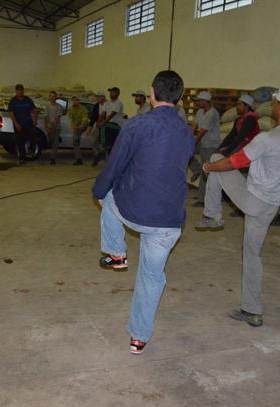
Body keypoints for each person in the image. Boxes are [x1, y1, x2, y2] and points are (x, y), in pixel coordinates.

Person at [92, 70, 194, 354]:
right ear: (180, 97)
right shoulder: (186, 131)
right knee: (151, 276)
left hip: (136, 210)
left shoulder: (137, 125)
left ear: (152, 93)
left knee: (108, 196)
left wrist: (98, 191)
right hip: (170, 221)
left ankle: (116, 253)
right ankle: (139, 338)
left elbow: (115, 165)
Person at [202, 86, 280, 327]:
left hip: (254, 199)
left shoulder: (268, 138)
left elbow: (234, 162)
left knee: (218, 161)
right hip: (271, 204)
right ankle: (252, 310)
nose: (274, 105)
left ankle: (212, 215)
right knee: (252, 254)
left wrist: (207, 168)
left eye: (276, 101)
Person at [195, 93, 261, 230]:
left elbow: (240, 139)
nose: (236, 107)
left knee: (219, 168)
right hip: (242, 152)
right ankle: (212, 214)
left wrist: (226, 155)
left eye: (239, 104)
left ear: (247, 106)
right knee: (215, 165)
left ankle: (214, 214)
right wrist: (218, 150)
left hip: (250, 154)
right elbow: (231, 137)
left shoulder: (250, 120)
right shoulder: (239, 120)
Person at [190, 91, 220, 205]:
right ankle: (196, 169)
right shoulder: (200, 112)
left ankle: (202, 199)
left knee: (206, 170)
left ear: (206, 102)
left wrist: (192, 143)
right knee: (187, 152)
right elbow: (194, 126)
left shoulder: (212, 114)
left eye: (200, 101)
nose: (198, 103)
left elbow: (202, 132)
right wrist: (189, 140)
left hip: (211, 146)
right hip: (202, 143)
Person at [93, 87, 125, 166]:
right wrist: (98, 122)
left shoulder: (118, 103)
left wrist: (103, 123)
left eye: (113, 92)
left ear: (117, 93)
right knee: (111, 146)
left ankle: (104, 146)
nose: (111, 94)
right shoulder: (107, 103)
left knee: (104, 126)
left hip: (116, 126)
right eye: (110, 92)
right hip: (108, 127)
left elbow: (111, 115)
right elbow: (103, 114)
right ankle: (106, 149)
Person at [8, 83, 39, 164]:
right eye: (18, 90)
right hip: (18, 123)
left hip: (28, 122)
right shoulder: (13, 101)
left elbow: (34, 110)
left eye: (21, 90)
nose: (20, 92)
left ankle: (31, 150)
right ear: (16, 91)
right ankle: (22, 158)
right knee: (20, 141)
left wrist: (35, 120)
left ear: (23, 91)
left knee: (34, 135)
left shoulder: (28, 100)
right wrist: (16, 124)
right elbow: (11, 113)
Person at [67, 96, 89, 165]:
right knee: (75, 142)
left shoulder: (83, 108)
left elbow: (85, 118)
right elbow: (70, 118)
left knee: (75, 142)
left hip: (84, 126)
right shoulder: (71, 109)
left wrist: (81, 126)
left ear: (78, 101)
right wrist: (73, 125)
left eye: (76, 100)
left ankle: (79, 158)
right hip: (76, 127)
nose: (74, 102)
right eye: (73, 101)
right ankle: (79, 159)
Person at [88, 91, 107, 166]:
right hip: (97, 124)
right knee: (94, 141)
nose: (97, 98)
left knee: (104, 143)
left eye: (99, 96)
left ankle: (106, 160)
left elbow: (107, 115)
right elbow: (93, 117)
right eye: (97, 97)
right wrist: (90, 127)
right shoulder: (96, 105)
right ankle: (97, 156)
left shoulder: (108, 105)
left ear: (103, 97)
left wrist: (101, 122)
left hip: (105, 125)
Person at [44, 90, 62, 165]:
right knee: (51, 141)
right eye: (50, 96)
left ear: (56, 97)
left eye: (53, 96)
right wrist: (47, 127)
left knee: (55, 143)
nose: (52, 98)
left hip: (56, 127)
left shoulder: (58, 106)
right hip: (49, 127)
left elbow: (57, 118)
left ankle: (52, 158)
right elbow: (46, 117)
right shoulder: (47, 106)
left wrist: (53, 127)